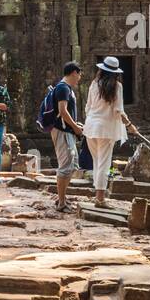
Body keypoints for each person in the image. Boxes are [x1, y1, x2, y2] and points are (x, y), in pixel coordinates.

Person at [83, 55, 137, 205]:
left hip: (91, 127)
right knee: (104, 164)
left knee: (97, 161)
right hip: (106, 129)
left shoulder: (94, 84)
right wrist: (129, 125)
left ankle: (98, 195)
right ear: (116, 73)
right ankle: (100, 199)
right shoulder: (117, 87)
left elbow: (88, 107)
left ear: (102, 70)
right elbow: (118, 111)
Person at [52, 61, 83, 213]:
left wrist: (76, 125)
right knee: (65, 165)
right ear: (73, 73)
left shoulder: (66, 88)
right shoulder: (63, 88)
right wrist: (76, 127)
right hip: (63, 131)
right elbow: (63, 111)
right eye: (79, 74)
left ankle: (61, 197)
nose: (80, 77)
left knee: (72, 164)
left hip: (67, 131)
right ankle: (61, 203)